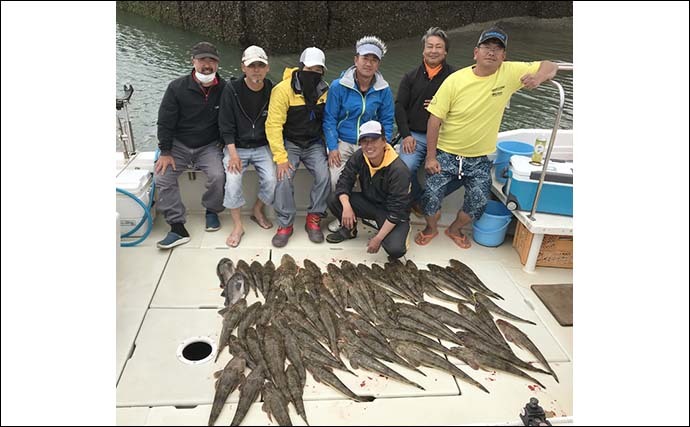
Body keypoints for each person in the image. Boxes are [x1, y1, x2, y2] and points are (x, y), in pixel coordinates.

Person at [416, 26, 558, 248]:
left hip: (479, 157)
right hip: (448, 152)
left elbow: (550, 65)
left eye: (497, 49)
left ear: (504, 56)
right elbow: (434, 120)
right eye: (486, 47)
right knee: (430, 195)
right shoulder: (455, 80)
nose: (491, 53)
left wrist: (538, 77)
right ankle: (431, 228)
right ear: (476, 52)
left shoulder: (510, 72)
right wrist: (431, 157)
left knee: (480, 200)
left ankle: (455, 229)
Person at [155, 42, 227, 249]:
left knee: (218, 175)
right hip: (179, 145)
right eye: (202, 60)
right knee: (162, 177)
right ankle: (177, 226)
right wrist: (166, 151)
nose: (207, 65)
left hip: (209, 145)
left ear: (217, 64)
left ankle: (212, 210)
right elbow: (165, 121)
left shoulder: (225, 88)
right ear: (193, 61)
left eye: (211, 60)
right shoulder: (176, 87)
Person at [323, 35, 395, 233]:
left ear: (378, 64)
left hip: (370, 143)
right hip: (344, 142)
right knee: (336, 179)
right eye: (365, 58)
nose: (368, 63)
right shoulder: (339, 86)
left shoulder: (384, 89)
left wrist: (384, 145)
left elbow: (387, 121)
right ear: (356, 60)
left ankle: (364, 215)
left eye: (374, 60)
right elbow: (329, 119)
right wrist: (332, 146)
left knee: (372, 184)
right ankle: (342, 216)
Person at [265, 47, 330, 248]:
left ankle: (314, 217)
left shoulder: (325, 90)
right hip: (290, 143)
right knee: (283, 178)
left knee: (325, 176)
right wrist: (280, 157)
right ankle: (285, 223)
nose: (314, 74)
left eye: (318, 70)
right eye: (310, 69)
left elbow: (328, 121)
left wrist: (331, 148)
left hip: (313, 144)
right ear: (301, 67)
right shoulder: (282, 90)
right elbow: (273, 124)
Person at [395, 27, 459, 217]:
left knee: (459, 172)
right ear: (423, 50)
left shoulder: (455, 78)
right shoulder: (410, 77)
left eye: (438, 47)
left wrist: (443, 107)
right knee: (403, 169)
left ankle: (425, 201)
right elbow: (399, 107)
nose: (433, 50)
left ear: (445, 51)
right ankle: (418, 199)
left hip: (446, 136)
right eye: (429, 46)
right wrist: (406, 135)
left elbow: (464, 108)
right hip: (415, 134)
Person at [326, 120, 411, 259]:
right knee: (335, 198)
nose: (369, 146)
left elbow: (397, 211)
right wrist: (347, 207)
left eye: (374, 140)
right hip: (370, 203)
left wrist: (378, 238)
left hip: (391, 213)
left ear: (384, 141)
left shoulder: (399, 170)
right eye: (364, 141)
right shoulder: (360, 156)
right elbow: (344, 182)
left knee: (396, 250)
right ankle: (349, 229)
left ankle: (393, 229)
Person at [218, 45, 276, 248]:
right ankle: (237, 225)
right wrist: (233, 154)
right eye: (252, 66)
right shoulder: (231, 89)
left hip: (262, 146)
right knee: (233, 181)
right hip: (237, 146)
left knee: (272, 179)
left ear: (267, 68)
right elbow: (225, 125)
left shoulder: (272, 89)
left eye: (261, 65)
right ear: (243, 67)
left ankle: (257, 209)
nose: (256, 70)